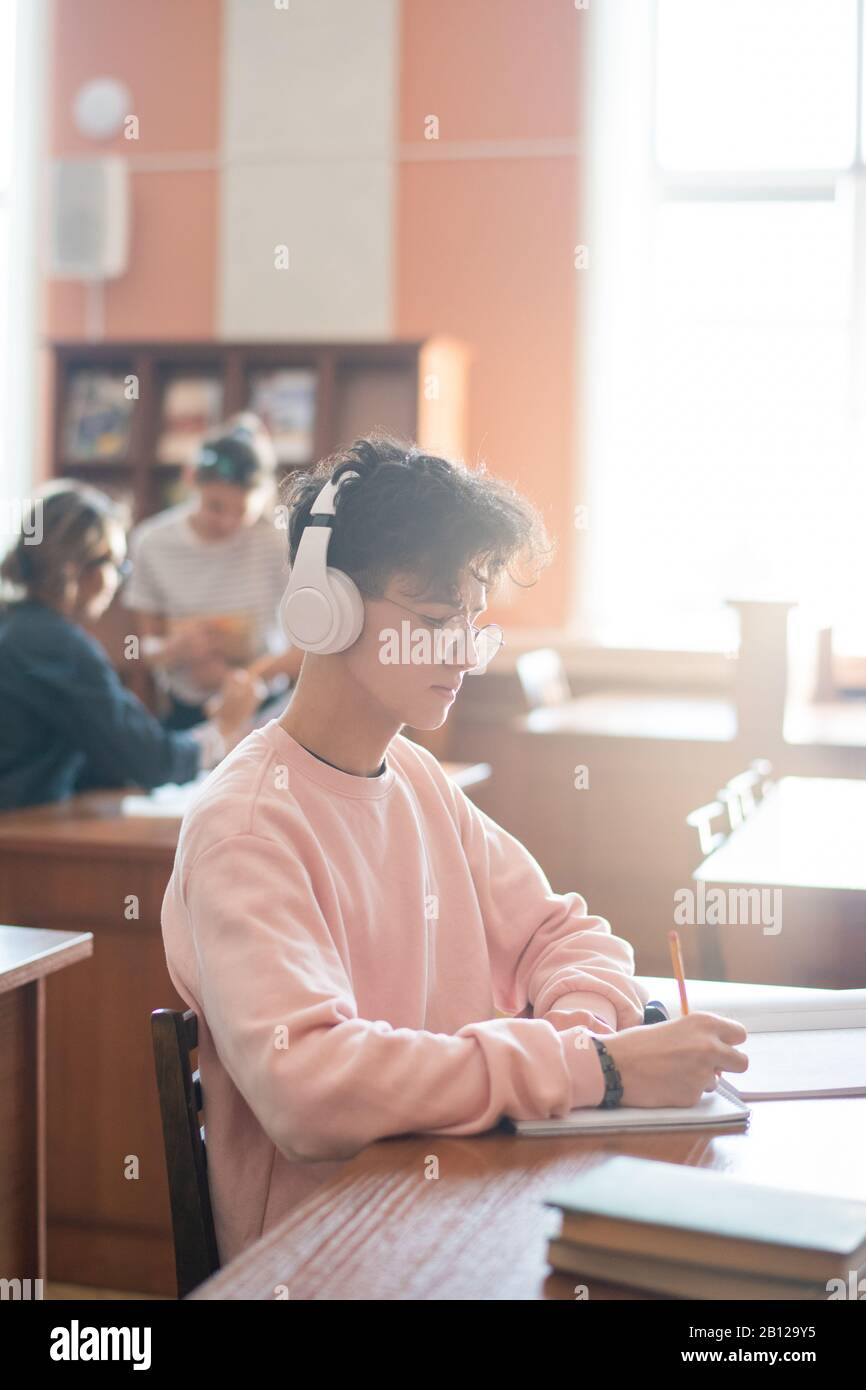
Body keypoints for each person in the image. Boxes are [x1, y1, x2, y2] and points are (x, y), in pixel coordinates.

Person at [160, 435, 749, 1265]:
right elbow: (310, 1089)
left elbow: (566, 935)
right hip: (329, 1256)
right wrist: (597, 1071)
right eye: (437, 619)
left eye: (475, 619)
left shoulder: (414, 775)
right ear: (322, 608)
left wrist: (585, 1052)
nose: (466, 650)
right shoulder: (249, 828)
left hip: (457, 1201)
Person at [0, 480, 262, 811]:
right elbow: (151, 761)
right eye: (117, 566)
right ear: (80, 568)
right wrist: (224, 728)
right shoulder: (57, 645)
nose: (117, 583)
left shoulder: (14, 625)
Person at [124, 413, 302, 730]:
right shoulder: (152, 542)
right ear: (191, 479)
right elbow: (142, 647)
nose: (228, 523)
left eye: (241, 511)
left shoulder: (276, 540)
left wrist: (244, 678)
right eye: (216, 507)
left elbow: (306, 648)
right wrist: (174, 649)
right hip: (188, 709)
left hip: (266, 708)